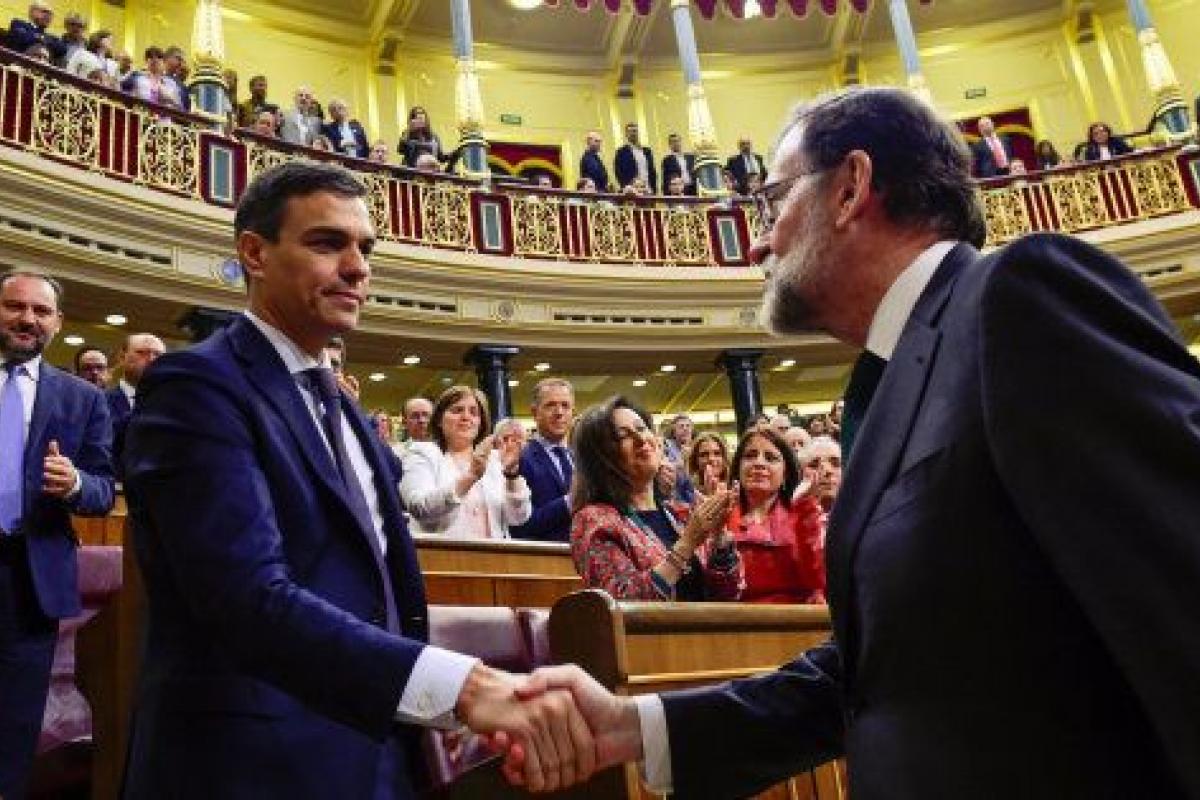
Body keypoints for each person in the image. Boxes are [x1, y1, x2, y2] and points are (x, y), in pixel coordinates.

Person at [510, 85, 1200, 798]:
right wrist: (633, 726)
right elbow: (876, 675)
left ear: (850, 189)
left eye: (773, 201)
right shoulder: (885, 383)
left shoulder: (1020, 297)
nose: (759, 241)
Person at [121, 162, 595, 797]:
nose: (357, 268)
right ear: (255, 253)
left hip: (374, 753)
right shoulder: (196, 386)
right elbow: (243, 598)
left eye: (365, 249)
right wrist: (461, 687)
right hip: (251, 764)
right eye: (327, 243)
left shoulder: (342, 405)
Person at [0, 270, 115, 799]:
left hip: (31, 578)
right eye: (15, 306)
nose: (27, 318)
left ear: (58, 322)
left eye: (41, 311)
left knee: (15, 717)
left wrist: (75, 485)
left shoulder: (83, 399)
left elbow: (103, 489)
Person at [569, 396, 740, 601]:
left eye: (641, 428)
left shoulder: (679, 513)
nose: (641, 439)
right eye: (623, 436)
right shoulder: (593, 520)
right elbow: (623, 603)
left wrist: (719, 538)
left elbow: (728, 595)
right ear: (602, 458)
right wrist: (687, 543)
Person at [399, 385, 531, 538]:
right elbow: (420, 508)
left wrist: (511, 474)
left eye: (474, 412)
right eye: (457, 410)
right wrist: (471, 476)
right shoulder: (421, 453)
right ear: (439, 420)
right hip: (440, 552)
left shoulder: (494, 459)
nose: (466, 417)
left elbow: (518, 518)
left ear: (480, 422)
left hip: (494, 552)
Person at [725, 427, 825, 604]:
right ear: (738, 468)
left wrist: (806, 512)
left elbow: (817, 580)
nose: (759, 463)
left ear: (785, 473)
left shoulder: (805, 515)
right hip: (728, 618)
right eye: (750, 456)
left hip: (794, 619)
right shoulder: (720, 516)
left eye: (770, 458)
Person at [509, 378, 575, 543]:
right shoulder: (520, 459)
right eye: (550, 405)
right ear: (534, 412)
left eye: (565, 406)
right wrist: (569, 501)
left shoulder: (582, 459)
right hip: (543, 555)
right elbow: (520, 525)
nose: (559, 412)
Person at [105, 332, 165, 472]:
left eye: (158, 355)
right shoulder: (101, 401)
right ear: (122, 357)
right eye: (142, 353)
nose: (151, 359)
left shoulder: (173, 405)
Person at [614, 123, 657, 194]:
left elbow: (652, 171)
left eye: (635, 131)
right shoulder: (621, 152)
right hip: (631, 190)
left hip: (648, 189)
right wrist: (626, 187)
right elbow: (618, 172)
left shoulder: (647, 151)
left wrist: (654, 188)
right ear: (626, 134)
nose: (633, 134)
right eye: (630, 131)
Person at [684, 430, 728, 500]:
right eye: (704, 454)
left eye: (717, 453)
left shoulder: (735, 489)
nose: (711, 459)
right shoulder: (688, 492)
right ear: (695, 461)